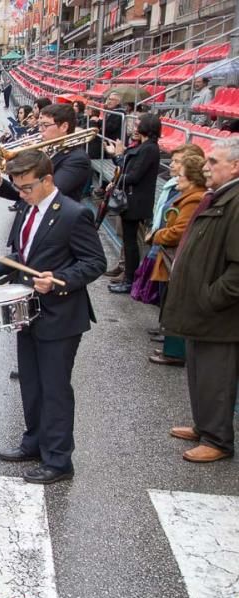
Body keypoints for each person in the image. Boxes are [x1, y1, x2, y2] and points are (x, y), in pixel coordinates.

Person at [0, 150, 106, 484]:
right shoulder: (27, 208)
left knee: (55, 389)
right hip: (28, 311)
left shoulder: (74, 214)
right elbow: (25, 254)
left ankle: (59, 460)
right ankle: (34, 442)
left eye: (26, 187)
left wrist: (59, 281)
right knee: (32, 385)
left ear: (48, 180)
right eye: (17, 188)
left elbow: (94, 263)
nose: (21, 194)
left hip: (61, 315)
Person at [160, 137, 239, 463]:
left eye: (214, 162)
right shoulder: (221, 195)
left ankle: (218, 439)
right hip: (202, 309)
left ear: (235, 166)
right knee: (199, 372)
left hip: (219, 314)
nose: (206, 168)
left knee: (216, 377)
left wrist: (209, 298)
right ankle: (204, 425)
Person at [146, 154, 206, 366]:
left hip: (178, 259)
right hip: (173, 257)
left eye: (181, 176)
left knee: (175, 303)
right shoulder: (188, 196)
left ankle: (174, 352)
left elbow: (179, 231)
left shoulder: (194, 199)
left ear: (192, 179)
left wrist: (157, 235)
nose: (176, 179)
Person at [0, 103, 91, 204]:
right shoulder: (47, 149)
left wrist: (31, 157)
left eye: (45, 125)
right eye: (40, 125)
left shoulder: (77, 159)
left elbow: (45, 193)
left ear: (64, 127)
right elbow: (23, 193)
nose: (40, 130)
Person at [108, 112, 161, 295]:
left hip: (136, 202)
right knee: (127, 241)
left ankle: (130, 280)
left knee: (130, 243)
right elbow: (128, 169)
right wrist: (117, 157)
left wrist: (116, 180)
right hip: (133, 200)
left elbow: (134, 176)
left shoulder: (149, 149)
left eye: (138, 123)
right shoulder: (144, 147)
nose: (135, 127)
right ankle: (128, 277)